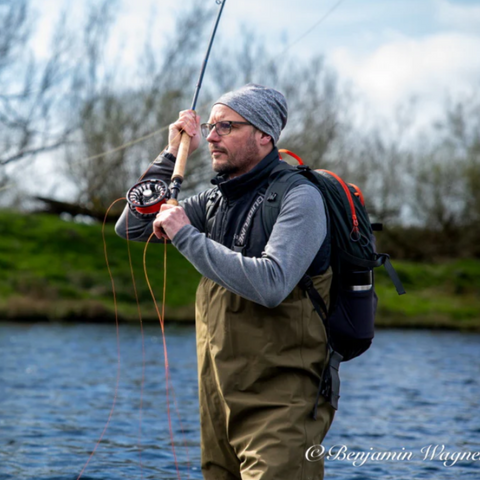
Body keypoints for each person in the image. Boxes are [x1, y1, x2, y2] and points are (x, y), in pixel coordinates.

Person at [115, 84, 335, 480]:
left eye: (226, 127)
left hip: (281, 407)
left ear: (264, 135)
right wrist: (171, 155)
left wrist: (185, 235)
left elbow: (272, 284)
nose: (211, 136)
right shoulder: (215, 201)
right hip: (218, 404)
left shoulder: (300, 199)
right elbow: (129, 226)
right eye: (211, 126)